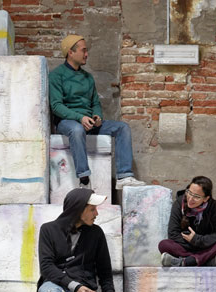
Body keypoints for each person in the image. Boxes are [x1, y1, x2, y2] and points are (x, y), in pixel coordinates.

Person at [49, 35, 146, 190]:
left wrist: (97, 116)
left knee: (122, 128)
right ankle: (84, 178)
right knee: (77, 130)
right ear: (70, 52)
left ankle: (124, 176)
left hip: (89, 122)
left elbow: (95, 102)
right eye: (83, 50)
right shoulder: (56, 75)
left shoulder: (88, 77)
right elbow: (56, 106)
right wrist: (80, 118)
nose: (86, 54)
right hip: (67, 122)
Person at [158, 176, 216, 267]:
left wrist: (197, 240)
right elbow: (173, 233)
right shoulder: (179, 204)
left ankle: (186, 261)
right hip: (186, 246)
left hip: (205, 246)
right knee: (164, 245)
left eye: (196, 196)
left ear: (205, 198)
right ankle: (205, 260)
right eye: (189, 193)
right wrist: (192, 242)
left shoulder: (214, 207)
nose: (190, 199)